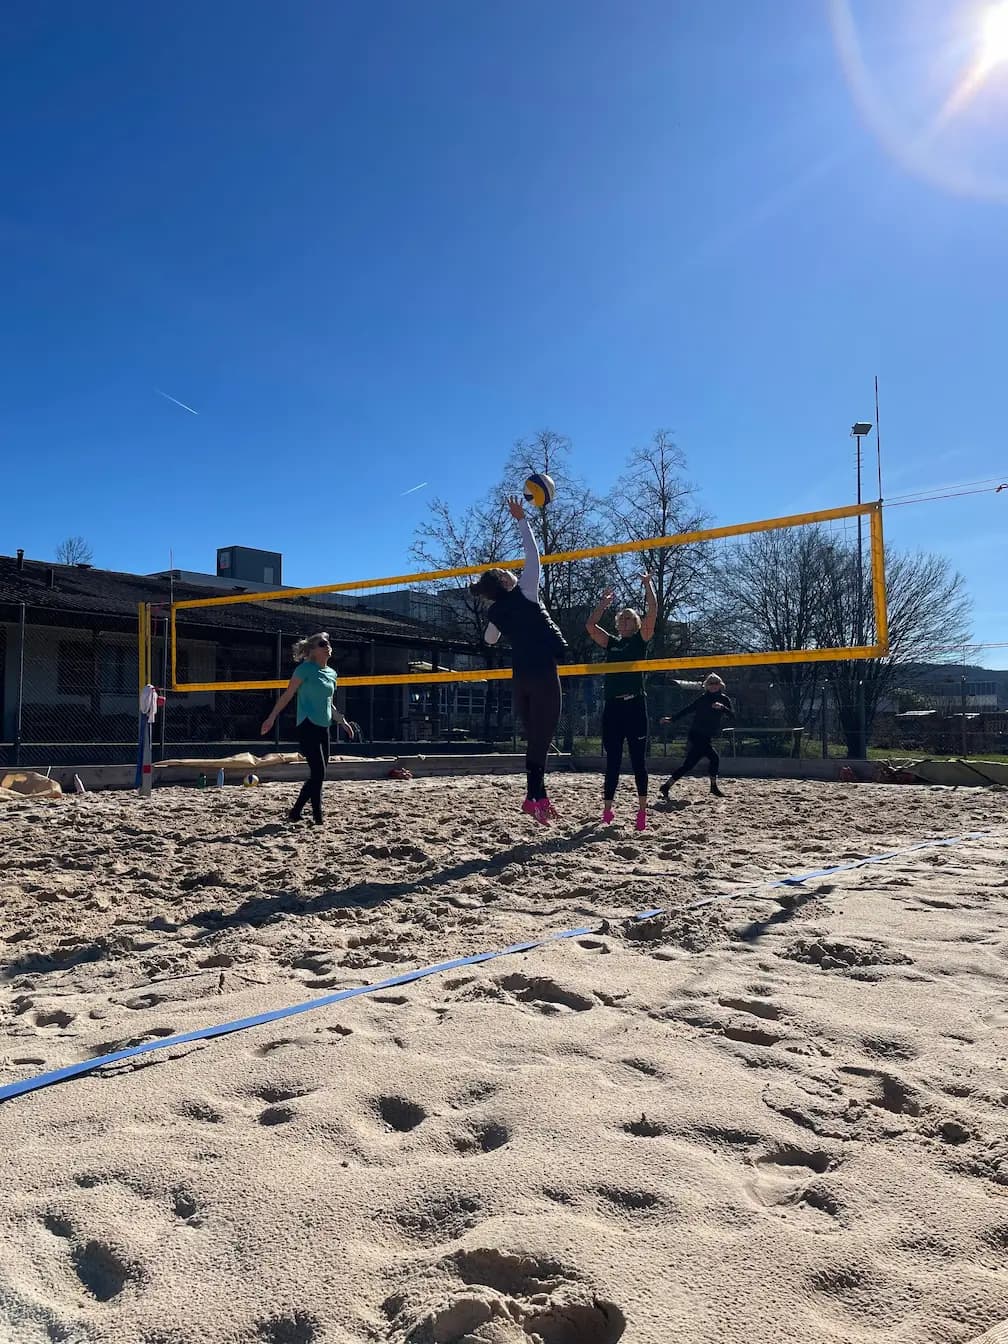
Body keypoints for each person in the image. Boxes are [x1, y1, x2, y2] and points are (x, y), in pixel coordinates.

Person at [471, 497, 568, 824]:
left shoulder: (497, 610)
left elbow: (489, 640)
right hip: (541, 673)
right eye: (509, 573)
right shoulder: (525, 590)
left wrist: (497, 617)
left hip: (521, 678)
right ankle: (534, 797)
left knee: (535, 739)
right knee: (543, 737)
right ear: (507, 581)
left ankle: (536, 798)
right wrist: (521, 519)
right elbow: (534, 555)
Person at [585, 573, 657, 830]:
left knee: (638, 760)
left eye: (630, 617)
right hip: (613, 707)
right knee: (613, 759)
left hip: (635, 706)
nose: (626, 620)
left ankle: (641, 811)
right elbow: (591, 627)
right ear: (618, 623)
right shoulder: (613, 642)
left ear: (636, 624)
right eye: (622, 617)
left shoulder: (640, 640)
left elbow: (652, 612)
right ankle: (607, 810)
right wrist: (602, 605)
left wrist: (648, 586)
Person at [260, 632, 354, 824]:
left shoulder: (332, 673)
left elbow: (329, 703)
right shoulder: (304, 669)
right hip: (307, 724)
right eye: (322, 643)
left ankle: (295, 812)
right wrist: (271, 718)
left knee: (319, 774)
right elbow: (287, 695)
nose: (327, 645)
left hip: (323, 726)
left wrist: (342, 722)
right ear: (312, 650)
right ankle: (318, 818)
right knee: (319, 773)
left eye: (328, 642)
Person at [658, 674, 733, 799]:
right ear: (706, 686)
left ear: (720, 685)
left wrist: (723, 708)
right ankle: (713, 787)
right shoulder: (703, 699)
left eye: (716, 683)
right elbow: (688, 710)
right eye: (711, 684)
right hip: (697, 734)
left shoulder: (724, 699)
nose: (713, 686)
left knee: (689, 765)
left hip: (707, 736)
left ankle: (666, 786)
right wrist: (671, 719)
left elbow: (733, 716)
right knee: (714, 758)